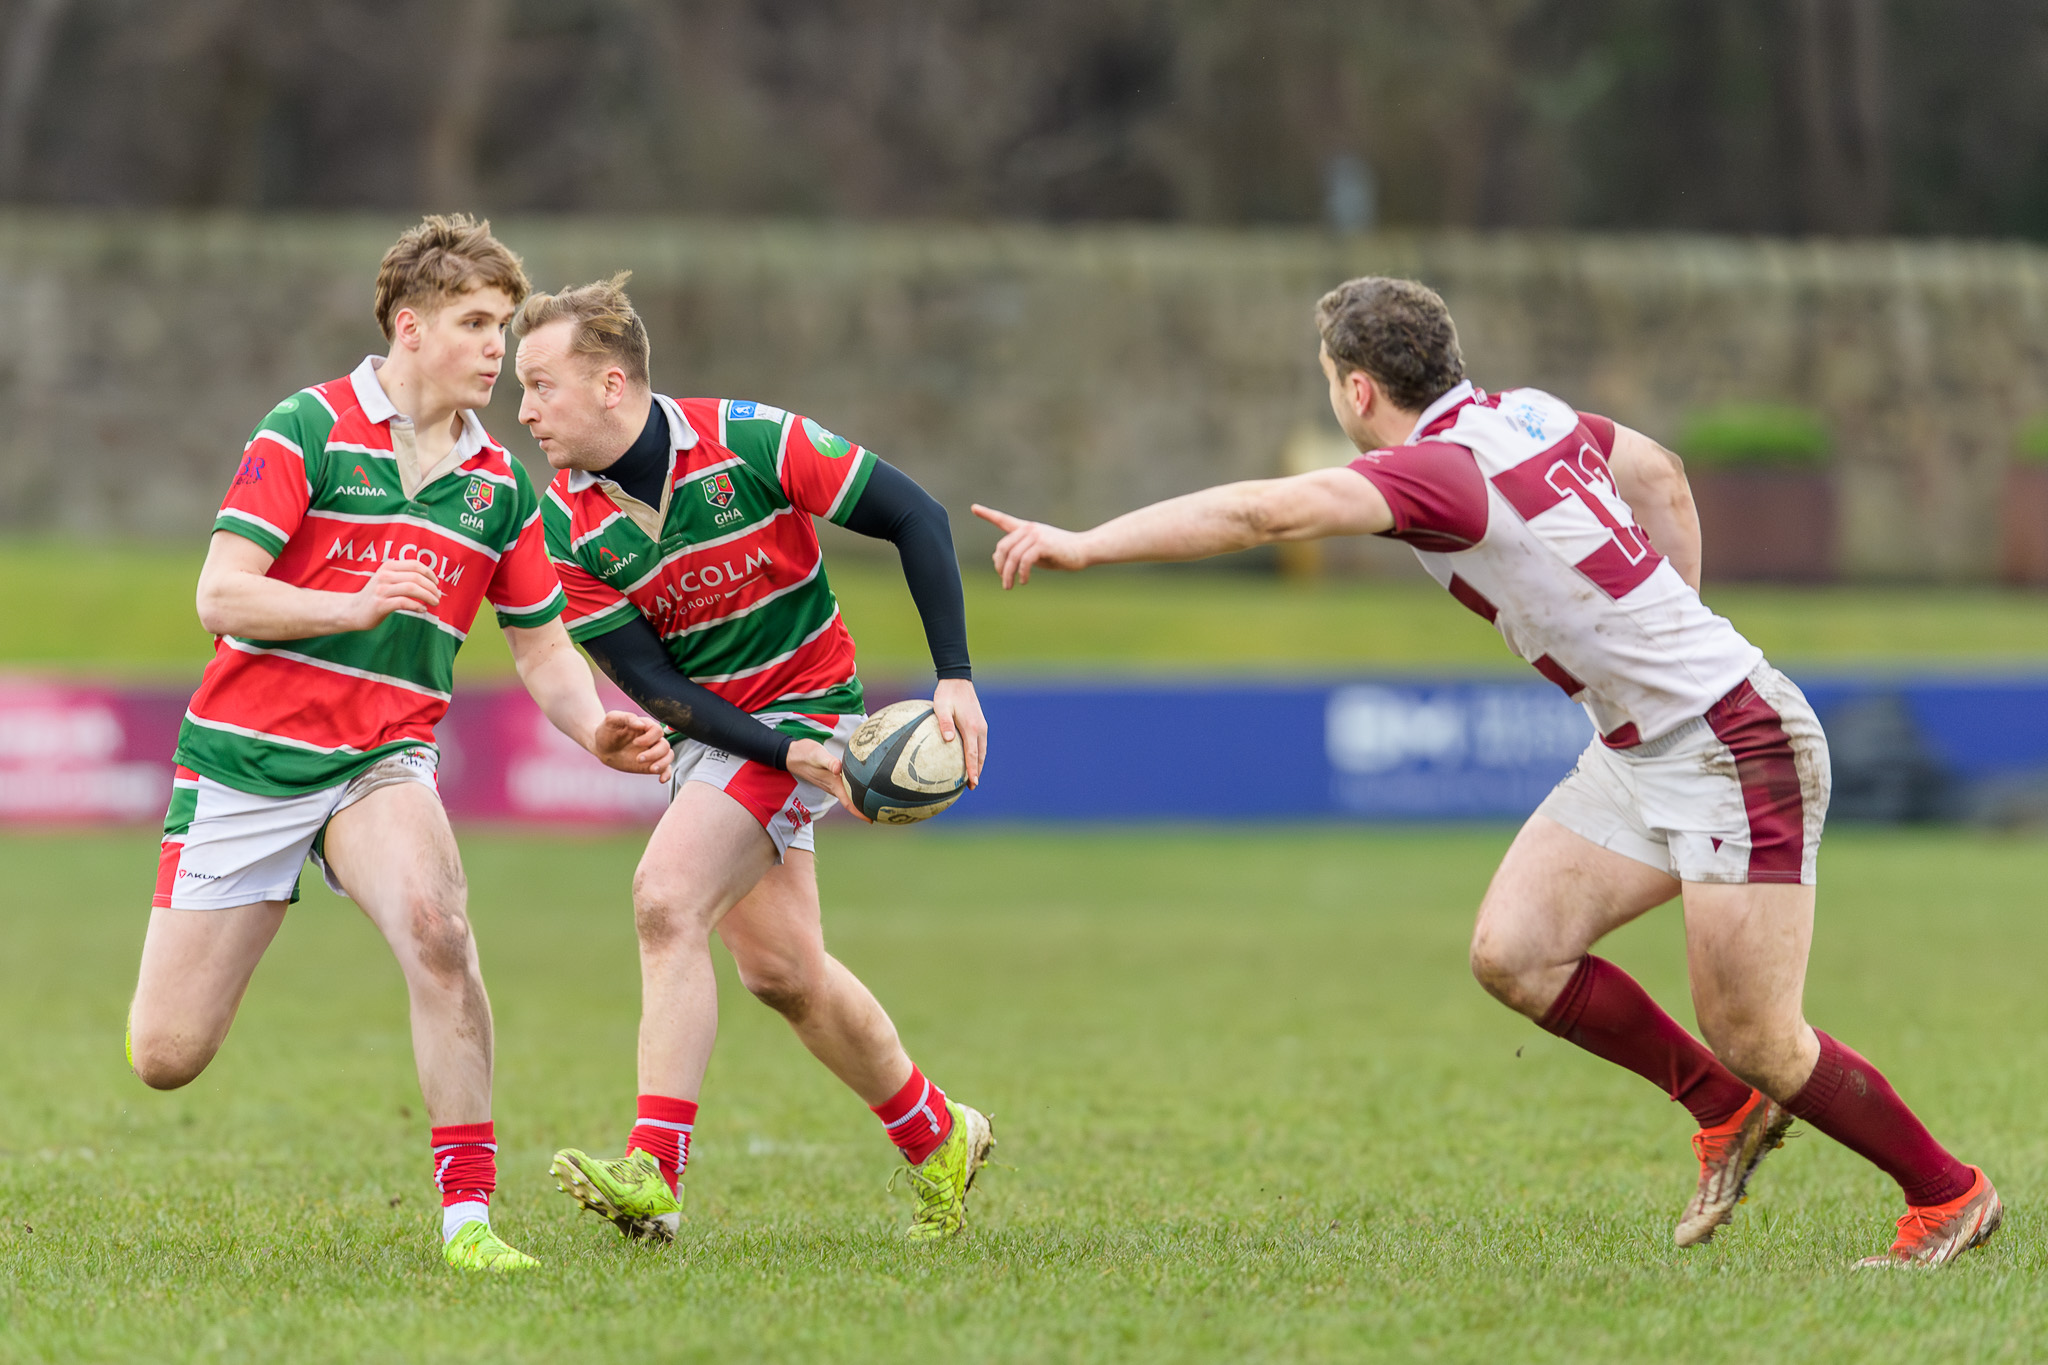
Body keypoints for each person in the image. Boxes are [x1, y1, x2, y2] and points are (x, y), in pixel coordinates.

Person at [972, 276, 2000, 1268]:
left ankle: (1946, 1193)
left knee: (1757, 1034)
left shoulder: (1433, 472)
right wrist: (1672, 620)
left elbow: (1261, 516)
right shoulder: (1528, 413)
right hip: (1644, 745)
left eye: (1329, 381)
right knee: (1516, 951)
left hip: (1734, 742)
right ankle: (1723, 1110)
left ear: (1357, 390)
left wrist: (1084, 545)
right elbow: (1663, 474)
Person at [125, 216, 673, 1274]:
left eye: (502, 326)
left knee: (438, 927)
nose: (495, 348)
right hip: (244, 762)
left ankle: (468, 1220)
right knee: (167, 1054)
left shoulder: (500, 485)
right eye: (475, 323)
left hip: (381, 762)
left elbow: (542, 647)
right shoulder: (308, 427)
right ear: (409, 327)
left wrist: (592, 726)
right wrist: (352, 604)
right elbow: (221, 595)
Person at [512, 274, 996, 1244]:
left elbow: (918, 517)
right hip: (735, 733)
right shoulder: (565, 524)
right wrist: (784, 753)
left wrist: (954, 676)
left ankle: (654, 1172)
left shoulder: (749, 439)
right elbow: (657, 687)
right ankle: (940, 1136)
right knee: (782, 972)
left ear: (611, 384)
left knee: (665, 898)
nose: (523, 411)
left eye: (539, 385)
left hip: (810, 699)